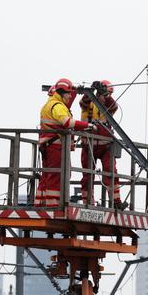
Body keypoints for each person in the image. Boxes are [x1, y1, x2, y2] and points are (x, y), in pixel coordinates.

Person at [35, 78, 96, 207]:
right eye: (68, 93)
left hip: (48, 145)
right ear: (62, 93)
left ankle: (40, 203)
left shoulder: (51, 104)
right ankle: (53, 205)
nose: (70, 96)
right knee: (56, 175)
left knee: (47, 175)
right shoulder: (57, 106)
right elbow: (67, 123)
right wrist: (87, 125)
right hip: (55, 146)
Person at [79, 80, 128, 210]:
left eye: (109, 94)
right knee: (88, 176)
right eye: (105, 94)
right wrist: (90, 91)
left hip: (105, 146)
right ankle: (88, 203)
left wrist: (105, 95)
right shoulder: (88, 105)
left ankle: (116, 201)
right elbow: (83, 102)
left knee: (111, 173)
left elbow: (114, 106)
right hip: (88, 145)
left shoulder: (109, 107)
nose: (107, 97)